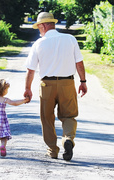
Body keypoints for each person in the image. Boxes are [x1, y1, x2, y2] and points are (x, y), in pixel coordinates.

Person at [24, 12, 87, 161]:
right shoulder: (70, 39)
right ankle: (68, 139)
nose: (39, 31)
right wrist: (83, 82)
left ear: (43, 26)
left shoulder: (39, 44)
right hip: (67, 83)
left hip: (47, 85)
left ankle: (52, 150)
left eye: (39, 27)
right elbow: (79, 63)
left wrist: (27, 88)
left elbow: (30, 70)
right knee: (69, 116)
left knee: (47, 118)